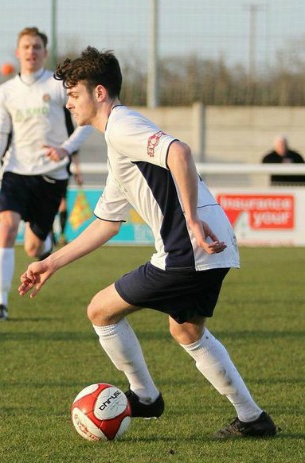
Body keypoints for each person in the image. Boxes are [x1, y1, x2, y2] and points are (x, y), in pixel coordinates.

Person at [18, 47, 277, 438]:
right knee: (187, 331)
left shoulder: (122, 126)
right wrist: (50, 263)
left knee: (101, 310)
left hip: (189, 248)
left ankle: (145, 397)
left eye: (74, 93)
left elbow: (179, 152)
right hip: (214, 244)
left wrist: (190, 220)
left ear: (99, 93)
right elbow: (107, 222)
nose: (68, 103)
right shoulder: (119, 142)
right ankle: (253, 419)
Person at [0, 27, 92, 322]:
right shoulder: (5, 92)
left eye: (37, 47)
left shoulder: (60, 86)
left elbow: (88, 119)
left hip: (51, 175)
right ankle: (1, 303)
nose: (31, 52)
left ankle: (44, 246)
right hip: (15, 172)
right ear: (17, 52)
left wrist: (66, 149)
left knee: (34, 246)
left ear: (45, 53)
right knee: (7, 227)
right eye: (26, 47)